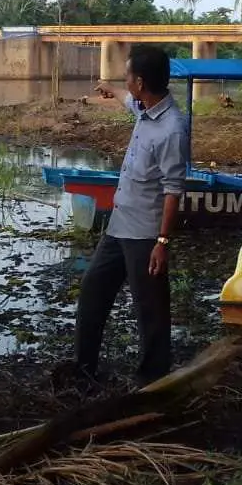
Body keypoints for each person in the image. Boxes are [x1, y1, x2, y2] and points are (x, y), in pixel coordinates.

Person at [65, 44, 188, 389]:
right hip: (119, 226)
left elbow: (173, 190)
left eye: (127, 77)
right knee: (92, 292)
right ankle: (84, 368)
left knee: (151, 311)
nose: (125, 81)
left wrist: (162, 242)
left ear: (141, 82)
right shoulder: (145, 108)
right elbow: (126, 100)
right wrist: (111, 89)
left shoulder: (171, 130)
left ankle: (153, 380)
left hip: (146, 234)